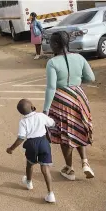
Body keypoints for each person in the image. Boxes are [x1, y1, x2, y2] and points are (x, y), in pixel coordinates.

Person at [44, 31, 96, 181]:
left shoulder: (52, 63)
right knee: (79, 128)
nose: (49, 45)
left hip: (61, 99)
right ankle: (85, 162)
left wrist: (46, 109)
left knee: (65, 133)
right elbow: (91, 78)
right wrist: (75, 85)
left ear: (55, 44)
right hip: (79, 96)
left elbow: (51, 87)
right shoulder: (79, 58)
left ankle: (70, 169)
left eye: (51, 42)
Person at [6, 99, 56, 203]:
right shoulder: (40, 116)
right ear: (33, 107)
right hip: (43, 142)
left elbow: (21, 137)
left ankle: (29, 182)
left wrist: (11, 149)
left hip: (31, 144)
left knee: (30, 164)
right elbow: (52, 123)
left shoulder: (23, 121)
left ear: (21, 112)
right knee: (45, 168)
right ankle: (50, 194)